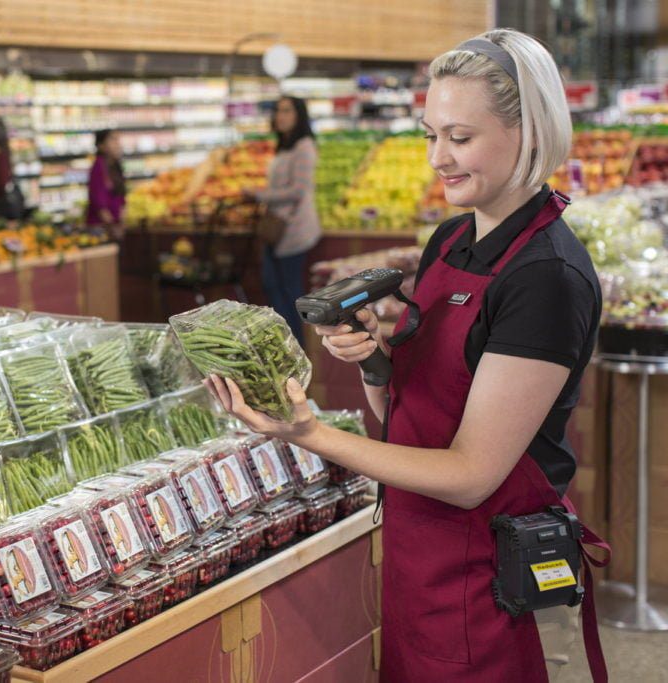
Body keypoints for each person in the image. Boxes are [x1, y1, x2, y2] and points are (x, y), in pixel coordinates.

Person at [207, 29, 610, 682]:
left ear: (529, 133)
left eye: (460, 137)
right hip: (415, 558)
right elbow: (406, 407)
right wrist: (374, 359)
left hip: (488, 581)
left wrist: (309, 433)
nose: (437, 158)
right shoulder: (449, 240)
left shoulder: (546, 277)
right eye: (430, 134)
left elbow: (472, 471)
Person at [245, 95, 320, 346]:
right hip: (277, 228)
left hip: (294, 229)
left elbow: (299, 190)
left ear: (299, 115)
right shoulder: (285, 145)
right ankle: (285, 342)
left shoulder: (304, 146)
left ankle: (297, 345)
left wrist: (258, 194)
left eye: (287, 110)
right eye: (278, 110)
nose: (281, 115)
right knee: (274, 286)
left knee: (289, 291)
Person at [86, 129, 126, 236]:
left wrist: (121, 221)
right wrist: (113, 226)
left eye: (118, 140)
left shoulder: (116, 167)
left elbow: (121, 198)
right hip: (101, 229)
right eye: (113, 140)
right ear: (101, 146)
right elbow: (99, 204)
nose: (117, 144)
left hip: (115, 226)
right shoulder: (98, 167)